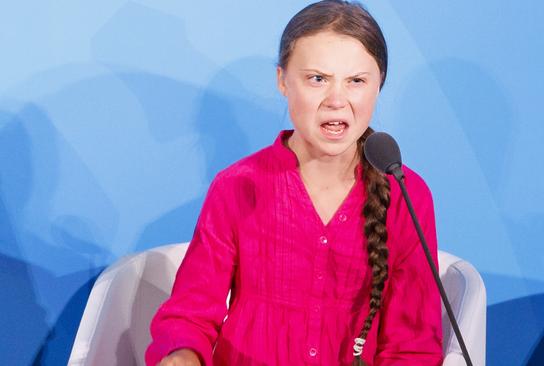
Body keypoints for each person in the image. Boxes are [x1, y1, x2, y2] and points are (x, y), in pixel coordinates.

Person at [146, 1, 443, 365]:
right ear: (283, 81)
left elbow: (412, 346)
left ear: (378, 85)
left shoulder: (406, 195)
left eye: (356, 81)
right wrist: (181, 356)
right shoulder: (237, 186)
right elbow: (189, 314)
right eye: (317, 79)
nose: (337, 101)